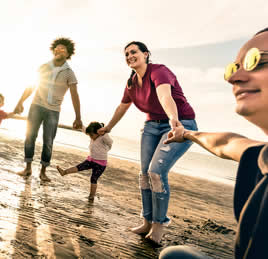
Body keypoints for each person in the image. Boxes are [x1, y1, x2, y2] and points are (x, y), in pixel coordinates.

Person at [160, 28, 268, 259]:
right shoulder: (263, 155)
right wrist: (187, 134)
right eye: (234, 67)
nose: (233, 78)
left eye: (255, 61)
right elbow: (227, 142)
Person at [98, 41, 197, 244]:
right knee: (144, 175)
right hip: (152, 126)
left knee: (156, 173)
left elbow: (164, 96)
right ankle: (147, 222)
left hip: (180, 123)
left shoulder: (158, 71)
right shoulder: (131, 83)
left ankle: (159, 225)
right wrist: (108, 128)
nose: (129, 56)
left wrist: (173, 121)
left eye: (134, 52)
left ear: (146, 54)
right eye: (126, 54)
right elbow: (122, 107)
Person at [14, 37, 82, 182]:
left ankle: (43, 172)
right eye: (57, 47)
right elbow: (32, 85)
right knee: (30, 136)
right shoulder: (44, 66)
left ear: (68, 53)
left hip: (53, 110)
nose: (59, 50)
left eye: (63, 48)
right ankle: (27, 168)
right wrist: (20, 101)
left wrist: (78, 117)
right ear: (53, 50)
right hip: (36, 106)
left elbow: (74, 95)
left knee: (48, 141)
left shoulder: (69, 72)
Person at [56, 121, 113, 201]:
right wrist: (79, 125)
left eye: (92, 135)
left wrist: (104, 133)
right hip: (91, 160)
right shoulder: (92, 133)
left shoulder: (103, 136)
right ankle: (64, 172)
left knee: (93, 178)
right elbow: (84, 129)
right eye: (89, 135)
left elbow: (110, 142)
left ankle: (91, 196)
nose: (90, 137)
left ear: (98, 132)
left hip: (100, 164)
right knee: (79, 167)